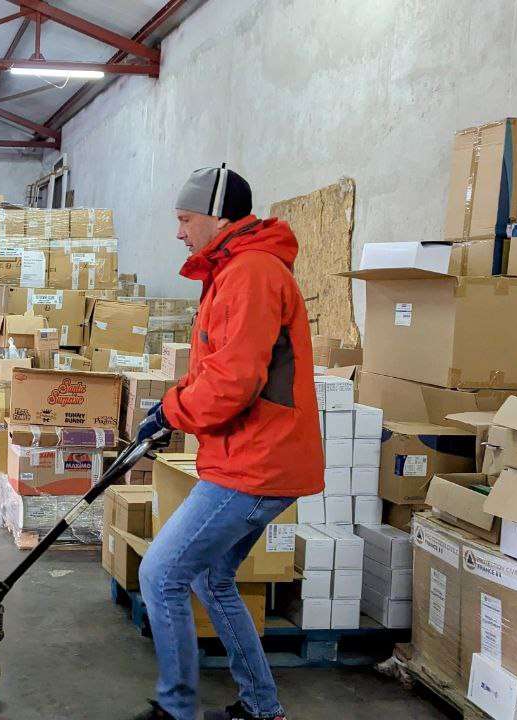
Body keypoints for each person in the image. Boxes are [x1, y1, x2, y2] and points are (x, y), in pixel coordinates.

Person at [130, 166, 324, 720]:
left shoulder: (251, 273)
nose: (179, 232)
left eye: (185, 219)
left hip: (257, 464)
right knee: (210, 578)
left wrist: (173, 410)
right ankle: (262, 708)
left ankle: (176, 710)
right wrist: (171, 407)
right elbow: (216, 367)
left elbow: (235, 381)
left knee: (160, 574)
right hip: (250, 456)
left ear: (218, 218)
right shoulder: (234, 270)